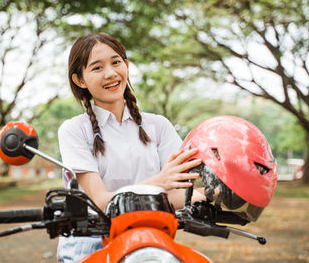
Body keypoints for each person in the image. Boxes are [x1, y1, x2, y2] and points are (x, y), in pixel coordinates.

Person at [57, 33, 203, 262]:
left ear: (126, 65)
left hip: (150, 244)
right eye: (97, 68)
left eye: (116, 62)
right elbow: (101, 202)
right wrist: (159, 183)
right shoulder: (74, 130)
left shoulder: (159, 126)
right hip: (91, 245)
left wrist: (210, 195)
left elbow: (175, 195)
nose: (111, 73)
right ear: (80, 80)